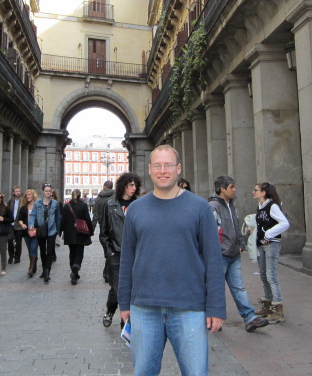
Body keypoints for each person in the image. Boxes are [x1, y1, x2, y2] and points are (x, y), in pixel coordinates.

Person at [118, 145, 226, 376]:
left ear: (178, 168)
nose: (162, 170)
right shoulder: (135, 210)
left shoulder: (200, 208)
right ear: (149, 169)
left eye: (168, 165)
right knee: (143, 372)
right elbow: (127, 259)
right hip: (144, 307)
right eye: (157, 165)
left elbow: (214, 261)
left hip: (189, 307)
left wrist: (216, 307)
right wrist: (124, 303)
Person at [208, 176, 268, 332]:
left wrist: (241, 244)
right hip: (220, 255)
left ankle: (250, 317)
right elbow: (211, 232)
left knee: (238, 287)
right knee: (215, 288)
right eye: (231, 187)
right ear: (222, 189)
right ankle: (212, 319)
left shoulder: (231, 205)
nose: (234, 190)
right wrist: (218, 250)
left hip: (234, 253)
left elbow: (236, 226)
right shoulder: (213, 206)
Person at [100, 172, 141, 328]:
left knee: (132, 288)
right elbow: (103, 232)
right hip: (116, 253)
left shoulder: (139, 204)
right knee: (117, 288)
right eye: (130, 185)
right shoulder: (110, 205)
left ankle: (125, 321)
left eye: (135, 185)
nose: (133, 188)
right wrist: (109, 252)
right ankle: (110, 311)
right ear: (123, 186)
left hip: (135, 254)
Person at [252, 182, 290, 323]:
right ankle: (267, 303)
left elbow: (284, 223)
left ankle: (278, 309)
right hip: (261, 244)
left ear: (263, 192)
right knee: (263, 274)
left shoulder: (272, 206)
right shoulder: (260, 206)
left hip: (271, 244)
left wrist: (269, 234)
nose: (253, 192)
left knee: (271, 275)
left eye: (256, 190)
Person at [59, 189, 94, 285]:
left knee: (72, 252)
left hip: (69, 233)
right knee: (79, 252)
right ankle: (76, 267)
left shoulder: (66, 206)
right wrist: (91, 231)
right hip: (81, 232)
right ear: (80, 196)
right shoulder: (83, 205)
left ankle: (74, 270)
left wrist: (60, 232)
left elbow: (62, 220)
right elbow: (88, 219)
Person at [28, 184, 62, 283]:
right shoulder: (37, 203)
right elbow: (33, 215)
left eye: (49, 191)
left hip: (51, 230)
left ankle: (47, 271)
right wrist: (31, 225)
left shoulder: (55, 203)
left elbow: (58, 217)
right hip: (41, 229)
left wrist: (58, 230)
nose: (48, 193)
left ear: (51, 192)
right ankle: (44, 269)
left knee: (50, 251)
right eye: (46, 191)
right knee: (42, 251)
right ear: (43, 192)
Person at [93, 180, 114, 282]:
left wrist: (91, 229)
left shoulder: (98, 198)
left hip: (103, 227)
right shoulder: (115, 197)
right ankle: (107, 271)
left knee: (107, 248)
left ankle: (107, 271)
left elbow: (95, 214)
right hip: (114, 227)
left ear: (105, 186)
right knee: (112, 248)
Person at [18, 189, 38, 278]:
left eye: (29, 195)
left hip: (35, 231)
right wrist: (22, 224)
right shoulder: (23, 208)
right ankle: (34, 264)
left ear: (33, 195)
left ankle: (31, 268)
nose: (28, 196)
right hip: (26, 231)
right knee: (30, 249)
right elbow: (20, 219)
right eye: (26, 195)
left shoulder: (37, 206)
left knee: (33, 248)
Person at [7, 186, 24, 264]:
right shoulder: (10, 201)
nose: (17, 192)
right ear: (13, 192)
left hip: (19, 225)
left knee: (18, 242)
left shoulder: (23, 202)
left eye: (19, 191)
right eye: (16, 191)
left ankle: (17, 257)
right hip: (11, 224)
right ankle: (11, 255)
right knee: (10, 240)